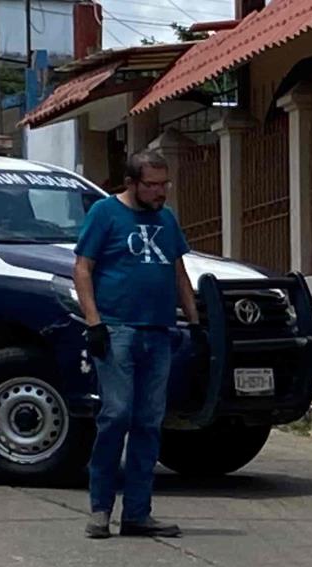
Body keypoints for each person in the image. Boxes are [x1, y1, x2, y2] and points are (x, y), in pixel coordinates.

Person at [74, 150, 199, 539]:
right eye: (152, 185)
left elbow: (178, 271)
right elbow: (83, 267)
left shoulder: (166, 218)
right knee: (117, 414)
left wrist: (194, 321)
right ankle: (100, 508)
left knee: (149, 421)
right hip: (117, 330)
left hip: (158, 331)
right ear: (131, 183)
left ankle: (138, 512)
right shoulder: (105, 214)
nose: (160, 192)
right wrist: (94, 322)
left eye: (164, 185)